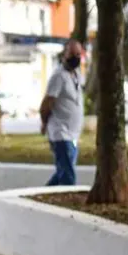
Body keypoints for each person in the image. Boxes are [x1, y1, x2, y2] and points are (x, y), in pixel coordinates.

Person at [39, 39, 84, 186]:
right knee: (68, 177)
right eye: (72, 54)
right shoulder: (58, 76)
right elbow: (46, 104)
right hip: (60, 133)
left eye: (78, 54)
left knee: (62, 172)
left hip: (73, 135)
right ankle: (67, 203)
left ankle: (41, 197)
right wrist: (44, 123)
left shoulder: (76, 74)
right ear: (64, 54)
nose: (76, 57)